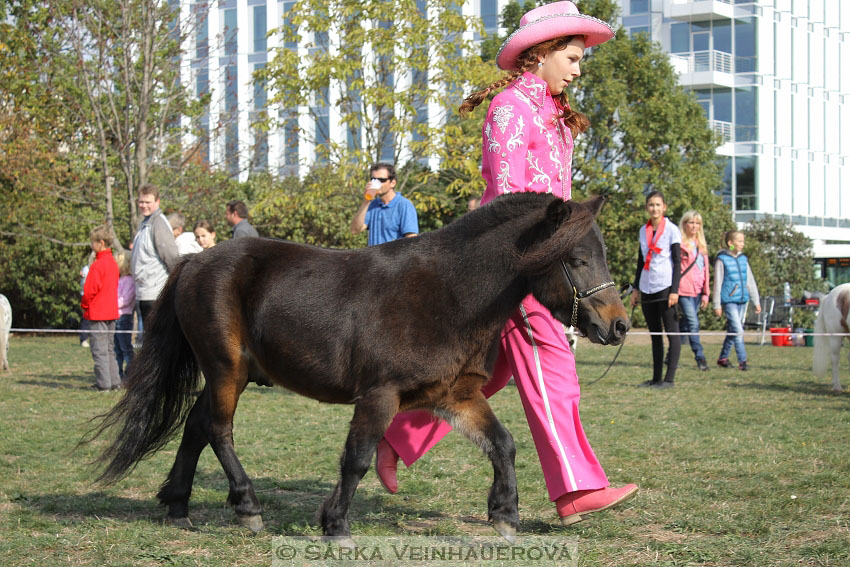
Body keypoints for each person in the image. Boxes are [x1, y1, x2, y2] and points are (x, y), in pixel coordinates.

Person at [374, 1, 637, 527]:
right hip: (515, 267)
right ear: (540, 54)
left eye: (580, 58)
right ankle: (575, 490)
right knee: (554, 369)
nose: (578, 68)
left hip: (547, 263)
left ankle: (395, 435)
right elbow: (511, 202)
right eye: (572, 56)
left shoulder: (559, 118)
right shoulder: (511, 110)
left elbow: (555, 202)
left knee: (487, 375)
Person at [630, 191, 682, 389]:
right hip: (647, 285)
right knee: (655, 334)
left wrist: (674, 290)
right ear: (647, 208)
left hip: (665, 285)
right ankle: (656, 378)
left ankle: (669, 379)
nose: (655, 208)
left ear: (664, 207)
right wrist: (635, 289)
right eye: (651, 205)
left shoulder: (672, 230)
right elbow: (641, 261)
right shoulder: (643, 230)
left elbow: (677, 262)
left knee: (671, 332)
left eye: (658, 205)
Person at [131, 185, 179, 326]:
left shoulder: (158, 224)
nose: (144, 205)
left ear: (157, 202)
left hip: (156, 293)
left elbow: (171, 257)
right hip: (144, 291)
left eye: (148, 202)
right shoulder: (145, 224)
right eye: (141, 202)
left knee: (156, 338)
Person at [713, 230, 761, 371]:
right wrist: (717, 304)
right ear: (731, 243)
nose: (742, 244)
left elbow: (750, 282)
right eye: (739, 241)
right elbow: (718, 282)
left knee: (733, 330)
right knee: (739, 330)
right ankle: (743, 361)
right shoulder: (722, 260)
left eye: (743, 241)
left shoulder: (743, 259)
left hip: (742, 300)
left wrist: (756, 301)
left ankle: (723, 358)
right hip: (729, 301)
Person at [81, 225, 121, 391]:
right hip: (111, 311)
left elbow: (90, 290)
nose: (91, 245)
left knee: (99, 349)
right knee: (110, 349)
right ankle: (115, 381)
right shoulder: (113, 263)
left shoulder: (98, 265)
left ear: (101, 242)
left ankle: (103, 383)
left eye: (93, 242)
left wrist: (84, 305)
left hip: (98, 313)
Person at [349, 163, 419, 246]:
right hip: (373, 258)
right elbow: (354, 230)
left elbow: (411, 240)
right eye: (373, 179)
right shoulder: (373, 205)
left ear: (392, 183)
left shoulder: (404, 205)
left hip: (393, 258)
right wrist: (366, 201)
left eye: (381, 180)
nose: (376, 183)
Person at [678, 210, 710, 371]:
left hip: (697, 291)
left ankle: (671, 355)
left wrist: (706, 293)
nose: (694, 226)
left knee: (685, 325)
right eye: (691, 222)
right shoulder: (679, 244)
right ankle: (700, 357)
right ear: (684, 224)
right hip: (683, 290)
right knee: (693, 323)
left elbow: (706, 271)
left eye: (697, 223)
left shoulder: (702, 246)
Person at [114, 251, 135, 381]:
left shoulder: (128, 281)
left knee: (125, 347)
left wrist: (111, 304)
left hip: (124, 317)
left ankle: (131, 374)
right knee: (116, 348)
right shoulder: (119, 280)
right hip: (116, 317)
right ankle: (118, 374)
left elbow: (126, 299)